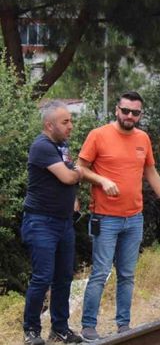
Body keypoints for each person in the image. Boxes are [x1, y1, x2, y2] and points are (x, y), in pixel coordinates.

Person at [77, 91, 160, 341]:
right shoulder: (98, 135)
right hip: (105, 217)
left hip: (134, 218)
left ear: (140, 115)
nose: (129, 116)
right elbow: (79, 168)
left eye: (135, 112)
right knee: (101, 273)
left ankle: (124, 325)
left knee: (127, 274)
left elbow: (151, 172)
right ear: (117, 110)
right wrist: (102, 180)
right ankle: (88, 326)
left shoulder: (143, 138)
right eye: (125, 111)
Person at [21, 100, 84, 344]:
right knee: (42, 277)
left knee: (64, 277)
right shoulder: (42, 146)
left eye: (70, 120)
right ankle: (31, 330)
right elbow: (68, 176)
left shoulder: (62, 145)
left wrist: (74, 197)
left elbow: (68, 177)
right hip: (41, 222)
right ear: (49, 125)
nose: (71, 126)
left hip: (63, 222)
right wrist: (81, 171)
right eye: (65, 122)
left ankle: (59, 328)